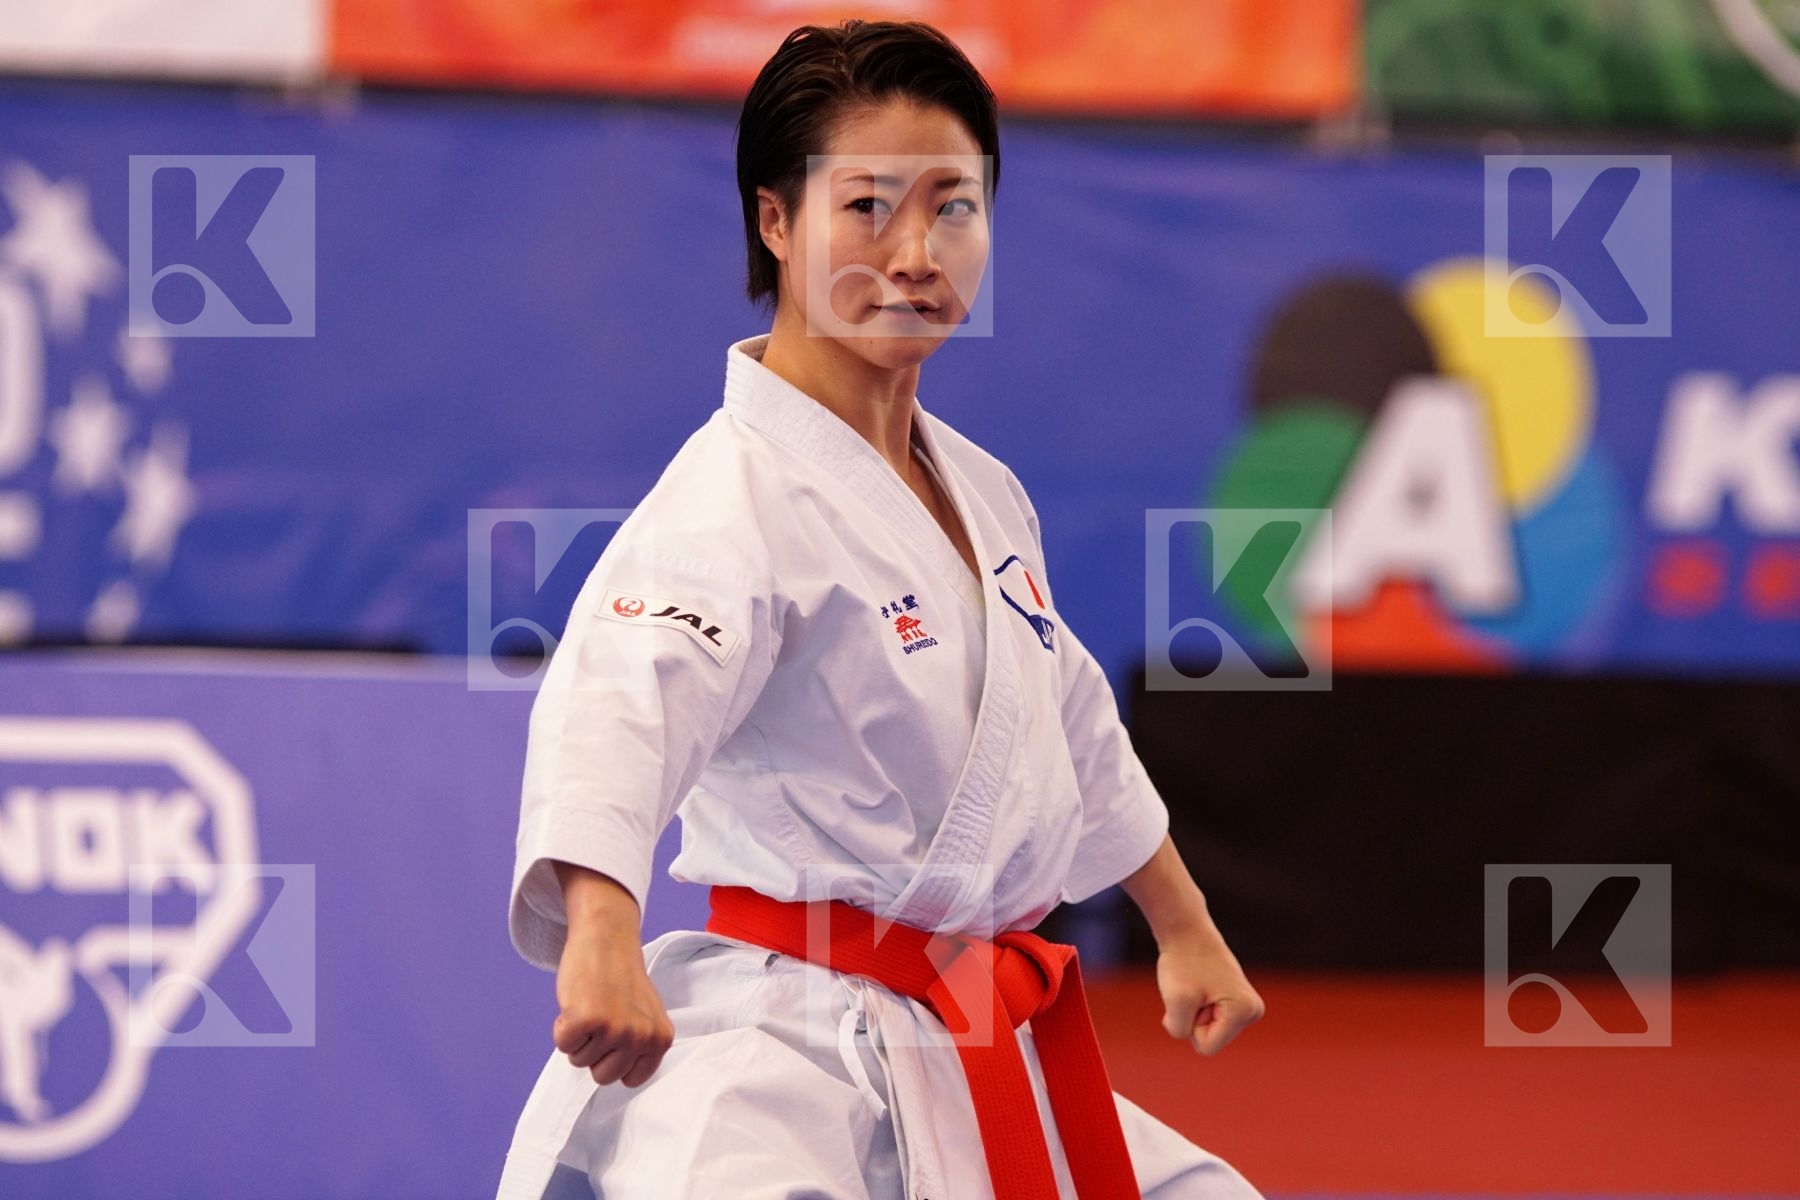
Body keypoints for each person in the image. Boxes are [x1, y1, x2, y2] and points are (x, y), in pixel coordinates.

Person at [496, 18, 1266, 1200]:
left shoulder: (986, 492)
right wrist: (600, 935)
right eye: (867, 206)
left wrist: (1184, 923)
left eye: (954, 206)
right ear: (775, 220)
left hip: (962, 1036)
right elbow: (622, 700)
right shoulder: (731, 493)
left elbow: (1067, 720)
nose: (917, 251)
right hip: (784, 1038)